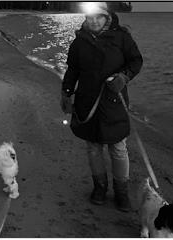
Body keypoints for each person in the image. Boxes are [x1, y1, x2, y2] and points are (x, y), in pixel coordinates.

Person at [60, 2, 143, 212]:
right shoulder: (79, 41)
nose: (93, 21)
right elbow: (72, 70)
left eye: (98, 17)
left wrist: (124, 77)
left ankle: (121, 192)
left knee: (118, 147)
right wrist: (66, 93)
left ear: (107, 17)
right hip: (87, 101)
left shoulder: (122, 37)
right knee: (93, 147)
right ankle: (100, 187)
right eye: (89, 17)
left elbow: (136, 61)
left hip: (114, 100)